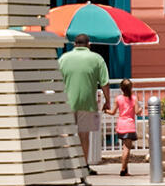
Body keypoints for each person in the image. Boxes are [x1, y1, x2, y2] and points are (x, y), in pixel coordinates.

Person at [58, 33, 111, 175]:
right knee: (84, 136)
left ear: (74, 44)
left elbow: (56, 80)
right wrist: (108, 101)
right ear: (89, 45)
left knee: (67, 134)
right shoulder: (96, 58)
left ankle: (68, 165)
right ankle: (84, 165)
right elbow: (104, 82)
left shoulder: (63, 58)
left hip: (67, 103)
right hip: (88, 103)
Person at [113, 79, 139, 177]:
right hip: (129, 125)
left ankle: (126, 169)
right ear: (131, 88)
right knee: (127, 148)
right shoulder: (134, 99)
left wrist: (105, 110)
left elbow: (112, 112)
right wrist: (140, 109)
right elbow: (137, 112)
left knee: (124, 147)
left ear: (121, 88)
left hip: (120, 125)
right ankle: (123, 169)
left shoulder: (118, 98)